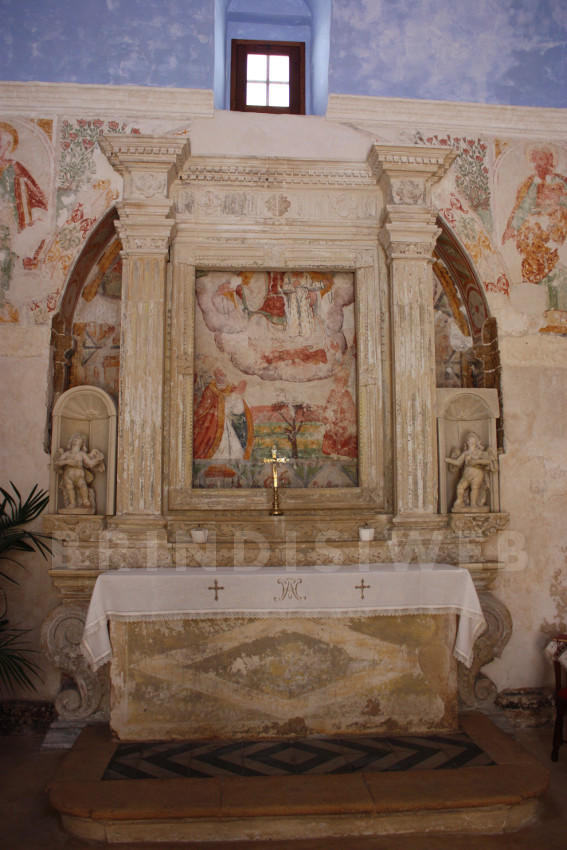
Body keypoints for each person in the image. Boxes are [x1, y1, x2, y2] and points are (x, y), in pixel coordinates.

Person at [193, 368, 253, 460]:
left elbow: (237, 410)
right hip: (212, 423)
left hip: (225, 422)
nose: (222, 375)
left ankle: (231, 464)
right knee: (212, 442)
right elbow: (204, 406)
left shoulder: (230, 389)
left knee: (230, 444)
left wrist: (237, 395)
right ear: (215, 376)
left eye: (223, 373)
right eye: (219, 373)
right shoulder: (210, 389)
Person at [445, 432, 497, 509]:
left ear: (476, 442)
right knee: (460, 486)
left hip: (477, 472)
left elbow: (488, 461)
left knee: (474, 487)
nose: (470, 442)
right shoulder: (465, 453)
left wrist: (477, 461)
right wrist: (448, 460)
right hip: (466, 473)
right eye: (469, 440)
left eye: (472, 440)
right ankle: (460, 500)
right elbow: (458, 462)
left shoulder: (479, 452)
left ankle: (473, 503)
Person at [53, 433, 105, 509]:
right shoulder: (67, 454)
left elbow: (90, 463)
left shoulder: (81, 454)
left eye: (78, 439)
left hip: (79, 475)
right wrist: (67, 461)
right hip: (68, 476)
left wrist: (97, 460)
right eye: (74, 438)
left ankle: (85, 501)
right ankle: (72, 503)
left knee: (83, 485)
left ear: (82, 443)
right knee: (69, 488)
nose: (75, 440)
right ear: (70, 442)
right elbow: (57, 462)